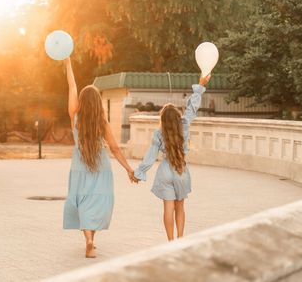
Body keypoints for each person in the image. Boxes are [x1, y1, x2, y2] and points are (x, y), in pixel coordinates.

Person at [62, 57, 137, 258]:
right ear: (98, 103)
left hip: (79, 164)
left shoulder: (75, 116)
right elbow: (114, 148)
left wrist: (69, 64)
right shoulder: (102, 122)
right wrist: (129, 169)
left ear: (82, 102)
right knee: (97, 201)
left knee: (83, 200)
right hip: (100, 164)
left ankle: (88, 239)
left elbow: (72, 86)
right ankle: (91, 239)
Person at [134, 74, 211, 241]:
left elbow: (150, 156)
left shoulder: (158, 134)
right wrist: (200, 85)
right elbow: (192, 107)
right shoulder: (184, 126)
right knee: (180, 207)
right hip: (181, 171)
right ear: (177, 117)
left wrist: (139, 173)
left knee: (168, 208)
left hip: (165, 172)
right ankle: (181, 239)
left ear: (162, 120)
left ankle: (170, 241)